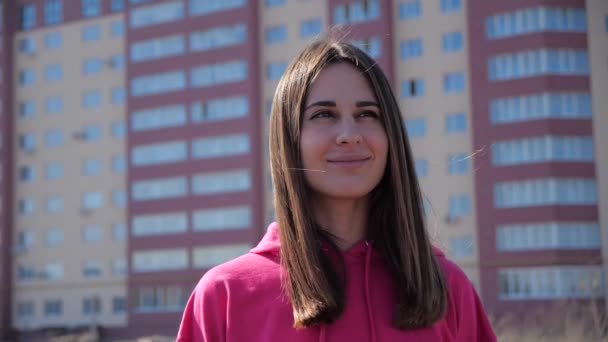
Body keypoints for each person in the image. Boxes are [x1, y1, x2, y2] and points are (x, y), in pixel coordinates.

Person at [177, 34, 497, 342]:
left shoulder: (447, 288)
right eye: (324, 114)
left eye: (367, 114)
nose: (349, 134)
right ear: (291, 140)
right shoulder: (225, 295)